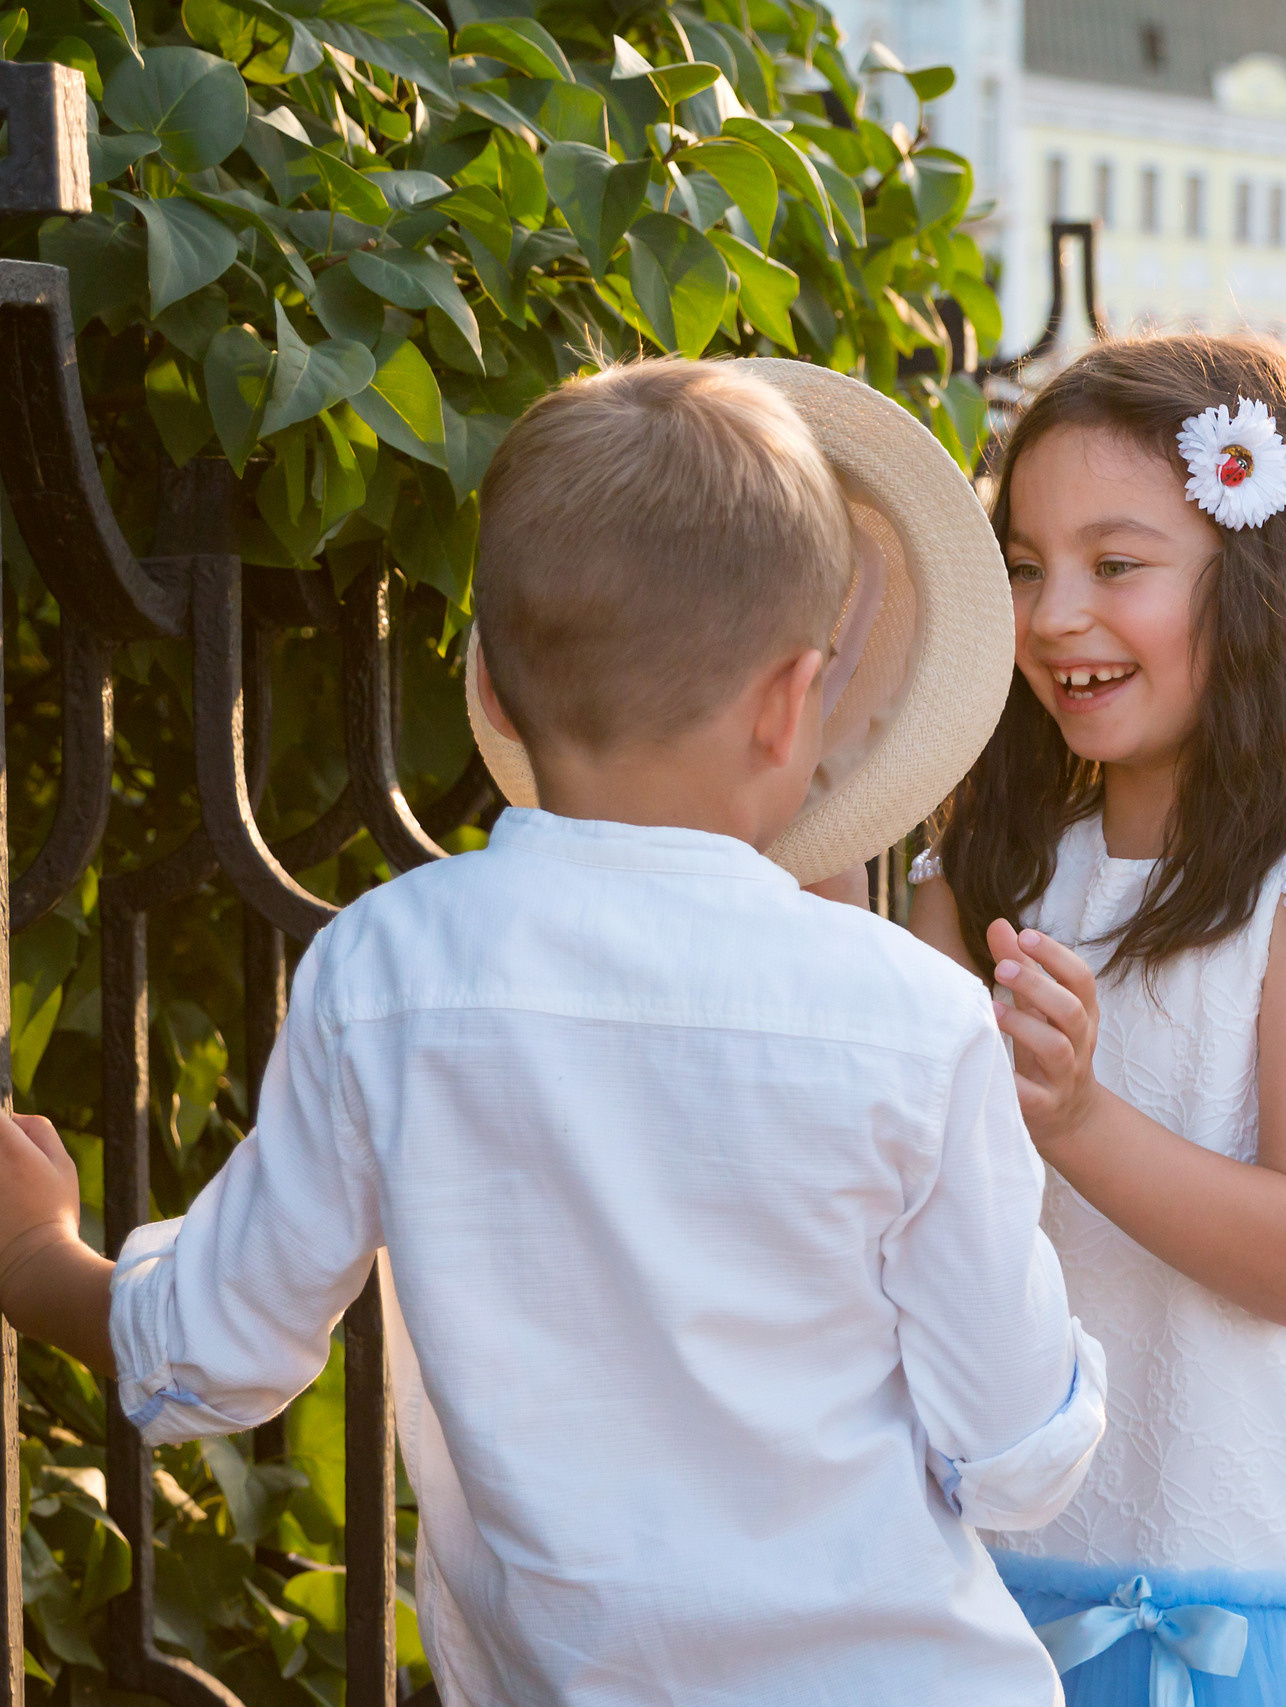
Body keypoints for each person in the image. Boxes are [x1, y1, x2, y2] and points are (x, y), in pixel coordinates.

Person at [0, 358, 1103, 1705]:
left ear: (502, 698)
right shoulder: (918, 1024)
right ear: (785, 704)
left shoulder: (383, 975)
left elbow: (213, 1355)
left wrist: (34, 1255)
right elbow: (1016, 1454)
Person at [905, 334, 1286, 1706]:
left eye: (1115, 567)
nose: (1052, 618)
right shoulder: (980, 877)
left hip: (1251, 1593)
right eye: (1027, 567)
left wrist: (1081, 1119)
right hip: (999, 1578)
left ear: (1256, 581)